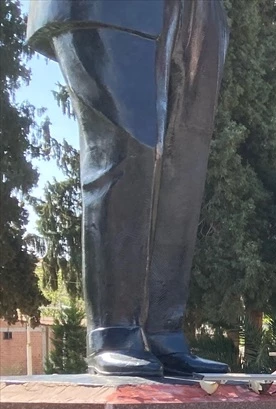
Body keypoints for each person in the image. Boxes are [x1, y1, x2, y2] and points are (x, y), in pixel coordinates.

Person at [27, 0, 232, 377]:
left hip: (196, 10)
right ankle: (114, 330)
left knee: (181, 165)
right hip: (108, 8)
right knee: (126, 150)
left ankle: (162, 329)